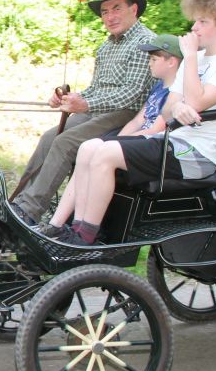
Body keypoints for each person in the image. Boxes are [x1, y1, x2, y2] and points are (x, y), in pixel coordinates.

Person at [42, 0, 216, 246]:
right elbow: (169, 107)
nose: (194, 28)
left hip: (197, 153)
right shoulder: (197, 59)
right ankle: (68, 227)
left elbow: (197, 100)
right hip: (170, 142)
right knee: (89, 147)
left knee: (105, 153)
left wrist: (189, 61)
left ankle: (85, 236)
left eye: (202, 22)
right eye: (195, 21)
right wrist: (180, 106)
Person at [10, 0, 157, 225]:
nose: (110, 17)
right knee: (49, 138)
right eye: (105, 12)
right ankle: (18, 201)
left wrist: (86, 104)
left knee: (65, 142)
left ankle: (29, 210)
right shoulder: (107, 46)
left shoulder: (145, 41)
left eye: (116, 9)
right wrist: (69, 98)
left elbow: (131, 94)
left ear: (134, 9)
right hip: (98, 110)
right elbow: (95, 89)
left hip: (128, 114)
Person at [40, 34, 183, 230]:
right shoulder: (158, 87)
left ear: (171, 62)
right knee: (87, 148)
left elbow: (154, 128)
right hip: (138, 140)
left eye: (153, 59)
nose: (149, 63)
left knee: (97, 151)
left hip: (152, 144)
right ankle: (58, 224)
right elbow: (138, 120)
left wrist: (116, 143)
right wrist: (118, 139)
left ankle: (85, 229)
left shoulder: (175, 93)